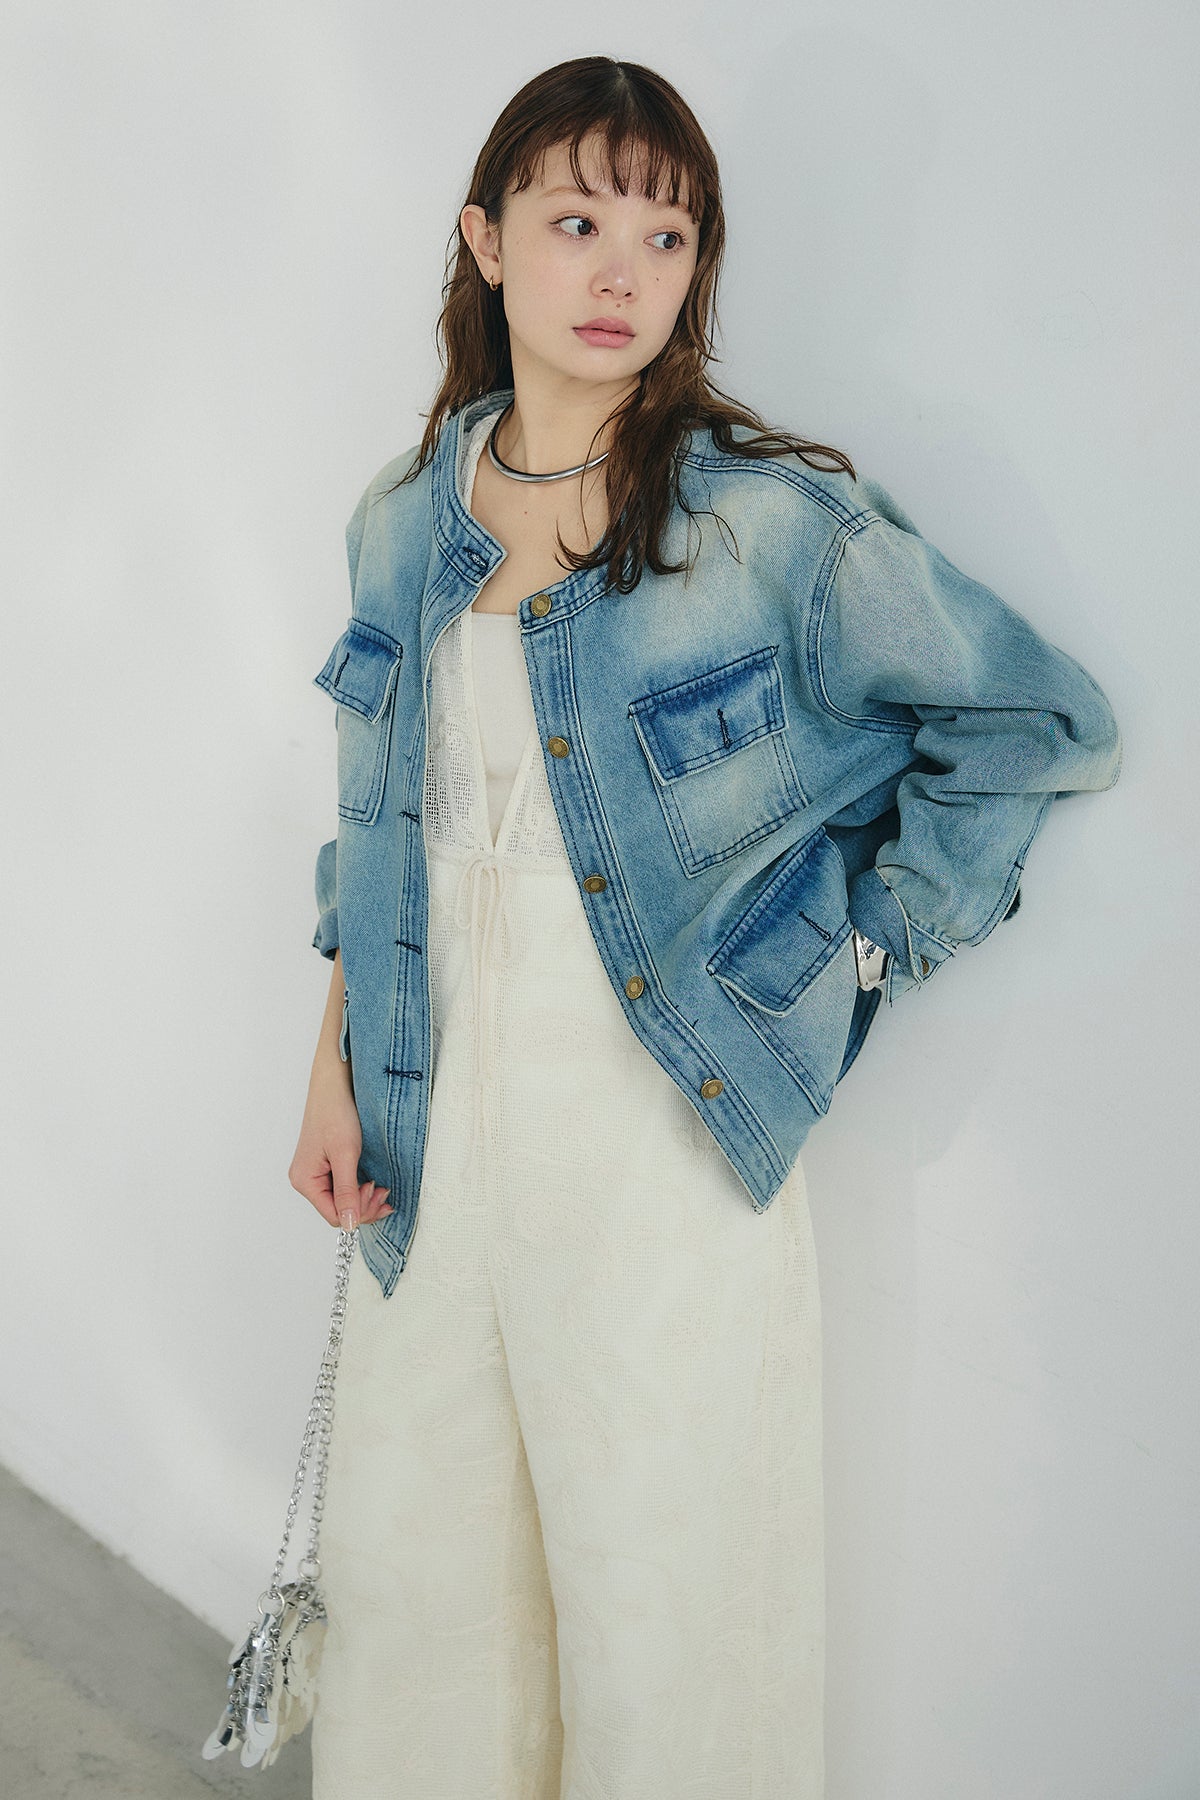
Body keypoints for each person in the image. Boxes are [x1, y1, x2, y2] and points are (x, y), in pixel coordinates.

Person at [288, 55, 1122, 1800]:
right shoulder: (399, 519)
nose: (621, 273)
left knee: (666, 1601)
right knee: (425, 1596)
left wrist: (864, 949)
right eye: (576, 221)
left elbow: (1034, 720)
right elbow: (376, 829)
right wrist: (333, 1073)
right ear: (485, 240)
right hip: (429, 1122)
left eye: (665, 237)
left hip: (656, 1124)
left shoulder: (759, 525)